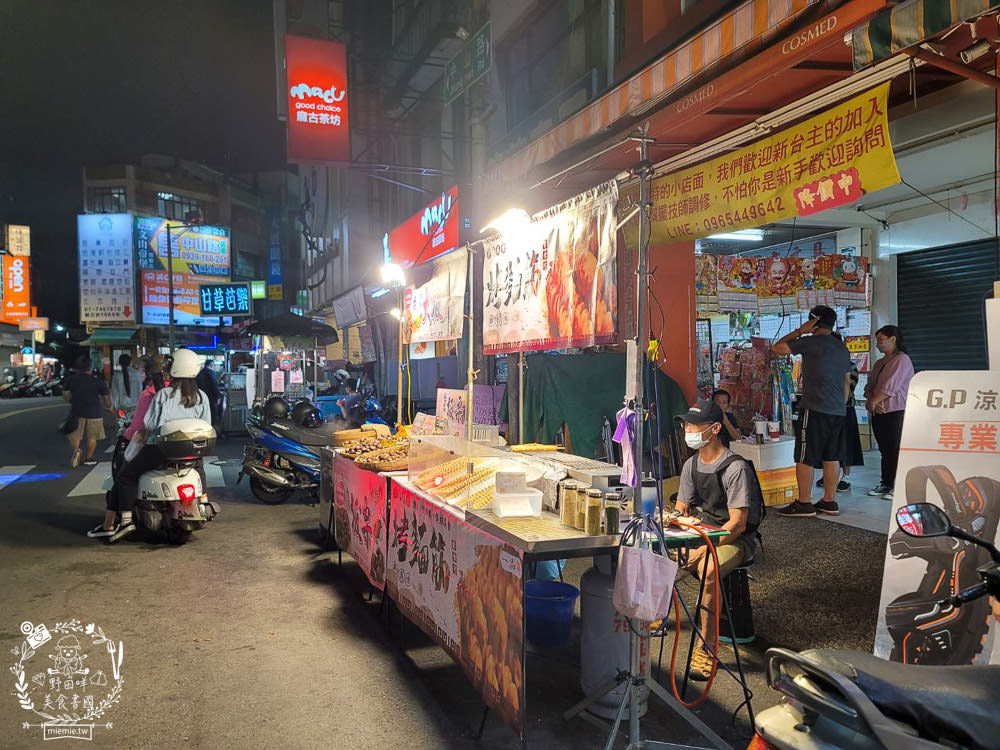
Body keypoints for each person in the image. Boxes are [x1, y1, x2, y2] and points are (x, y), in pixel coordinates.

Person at [672, 399, 763, 680]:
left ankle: (706, 650)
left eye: (693, 425)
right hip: (702, 533)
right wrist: (677, 524)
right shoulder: (691, 465)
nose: (687, 429)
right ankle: (654, 616)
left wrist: (703, 548)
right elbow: (680, 509)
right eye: (686, 424)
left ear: (713, 429)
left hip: (735, 540)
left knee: (708, 569)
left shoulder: (735, 468)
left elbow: (737, 525)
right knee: (656, 552)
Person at [88, 349, 211, 543]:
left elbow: (150, 425)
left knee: (126, 475)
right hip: (190, 453)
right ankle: (204, 502)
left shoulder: (163, 395)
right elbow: (206, 425)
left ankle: (127, 520)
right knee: (199, 467)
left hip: (160, 451)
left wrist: (139, 439)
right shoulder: (202, 396)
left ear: (175, 368)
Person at [771, 305, 851, 518]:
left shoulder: (810, 341)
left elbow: (776, 347)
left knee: (805, 456)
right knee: (831, 456)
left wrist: (801, 331)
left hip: (815, 407)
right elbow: (846, 382)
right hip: (838, 410)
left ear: (814, 322)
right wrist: (839, 406)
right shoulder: (841, 348)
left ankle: (804, 503)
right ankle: (829, 501)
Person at [864, 325, 915, 501]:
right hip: (879, 412)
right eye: (877, 340)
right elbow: (869, 387)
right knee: (885, 450)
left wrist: (873, 401)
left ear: (893, 339)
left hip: (896, 412)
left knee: (896, 449)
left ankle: (899, 485)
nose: (878, 344)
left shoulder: (902, 360)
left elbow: (890, 387)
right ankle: (886, 483)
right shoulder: (879, 363)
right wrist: (873, 403)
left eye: (881, 340)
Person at [62, 354, 112, 468]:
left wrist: (72, 401)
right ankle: (88, 458)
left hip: (76, 412)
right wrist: (109, 406)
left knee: (75, 435)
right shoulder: (98, 382)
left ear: (77, 368)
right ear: (90, 368)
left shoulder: (71, 380)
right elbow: (106, 398)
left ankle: (77, 450)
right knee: (92, 437)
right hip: (94, 413)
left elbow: (65, 395)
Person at [196, 359, 222, 424]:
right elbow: (214, 385)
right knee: (212, 413)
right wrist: (218, 397)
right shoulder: (210, 372)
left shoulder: (200, 372)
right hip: (211, 397)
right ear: (211, 365)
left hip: (201, 396)